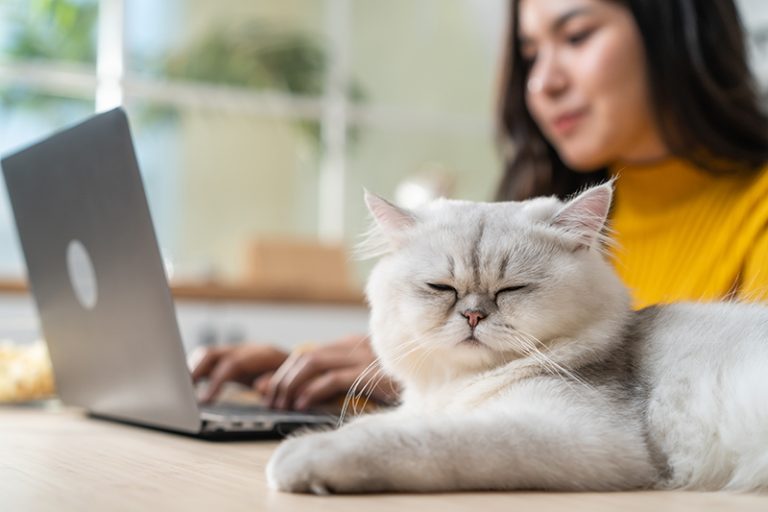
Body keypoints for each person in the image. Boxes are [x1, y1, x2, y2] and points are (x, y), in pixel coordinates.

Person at [192, 0, 768, 410]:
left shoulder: (755, 206)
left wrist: (450, 385)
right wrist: (308, 369)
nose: (542, 83)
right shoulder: (539, 215)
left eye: (576, 36)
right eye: (529, 53)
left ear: (678, 26)